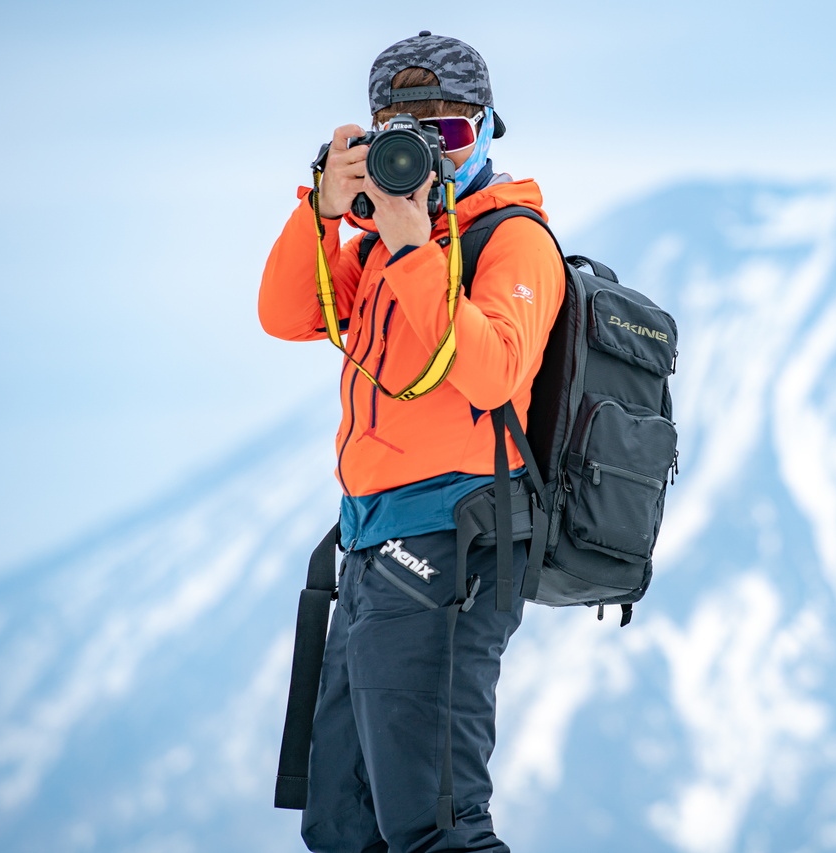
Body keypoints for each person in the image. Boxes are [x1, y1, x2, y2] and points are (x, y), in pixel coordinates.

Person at [258, 30, 563, 853]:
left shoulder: (514, 240)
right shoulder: (380, 253)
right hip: (370, 546)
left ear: (491, 130)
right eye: (400, 136)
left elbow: (495, 371)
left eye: (452, 134)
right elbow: (289, 314)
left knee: (438, 828)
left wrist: (412, 247)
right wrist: (322, 208)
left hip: (453, 544)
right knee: (345, 827)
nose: (428, 156)